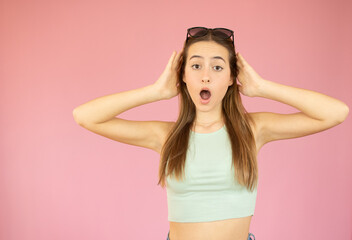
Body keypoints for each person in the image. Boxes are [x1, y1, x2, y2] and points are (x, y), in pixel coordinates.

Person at [72, 27, 349, 240]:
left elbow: (335, 112)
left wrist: (262, 87)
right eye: (196, 66)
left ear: (231, 78)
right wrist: (155, 92)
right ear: (182, 75)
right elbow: (85, 116)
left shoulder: (252, 130)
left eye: (217, 67)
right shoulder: (165, 136)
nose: (206, 76)